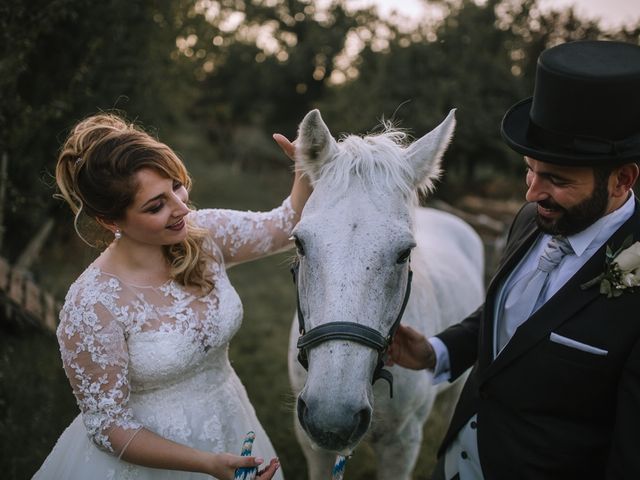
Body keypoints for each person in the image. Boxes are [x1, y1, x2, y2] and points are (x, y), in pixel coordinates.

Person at [388, 40, 640, 479]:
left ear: (622, 179)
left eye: (556, 179)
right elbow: (513, 315)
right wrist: (436, 350)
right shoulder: (533, 218)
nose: (531, 193)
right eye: (529, 168)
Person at [33, 112, 311, 479]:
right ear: (109, 221)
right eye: (155, 205)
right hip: (148, 460)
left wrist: (307, 168)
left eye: (176, 186)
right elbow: (107, 427)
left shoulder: (205, 234)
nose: (181, 208)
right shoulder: (92, 304)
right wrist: (208, 464)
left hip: (230, 418)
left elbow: (283, 227)